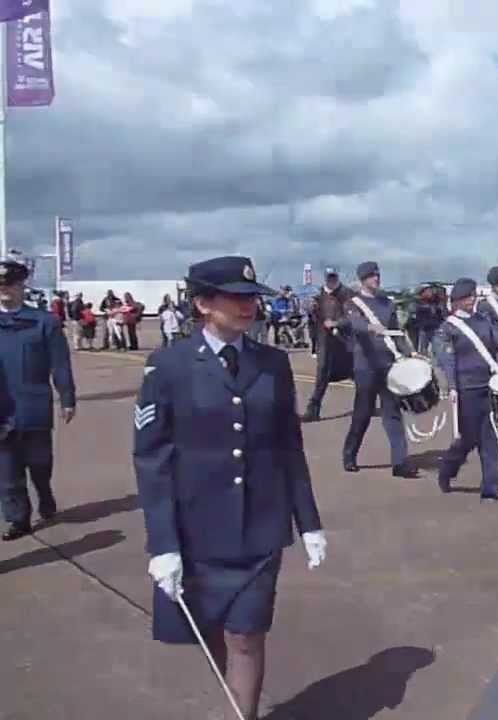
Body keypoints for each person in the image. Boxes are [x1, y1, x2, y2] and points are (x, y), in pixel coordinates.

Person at [134, 255, 327, 719]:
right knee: (211, 631)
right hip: (198, 529)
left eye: (251, 298)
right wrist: (163, 544)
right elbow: (152, 459)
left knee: (247, 634)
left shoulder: (273, 363)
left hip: (262, 524)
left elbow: (289, 447)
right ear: (203, 303)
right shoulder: (168, 366)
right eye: (235, 298)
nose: (248, 306)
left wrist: (309, 523)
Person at [0, 259, 76, 540]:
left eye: (11, 284)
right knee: (7, 470)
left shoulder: (44, 322)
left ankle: (45, 492)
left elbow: (60, 363)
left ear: (23, 286)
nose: (5, 289)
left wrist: (67, 397)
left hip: (34, 405)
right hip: (2, 410)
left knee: (40, 463)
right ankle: (18, 519)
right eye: (0, 285)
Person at [436, 278, 498, 500]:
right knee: (468, 439)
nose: (471, 300)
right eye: (467, 297)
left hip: (488, 384)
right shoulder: (448, 328)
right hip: (467, 388)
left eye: (473, 295)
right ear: (456, 301)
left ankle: (490, 485)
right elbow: (447, 360)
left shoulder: (482, 320)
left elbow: (494, 342)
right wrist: (452, 386)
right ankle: (448, 468)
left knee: (489, 437)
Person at [341, 261, 417, 478]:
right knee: (363, 414)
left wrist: (410, 353)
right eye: (371, 276)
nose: (376, 279)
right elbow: (353, 323)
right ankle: (349, 454)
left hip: (387, 365)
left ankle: (400, 462)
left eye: (377, 275)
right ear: (362, 280)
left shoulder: (387, 303)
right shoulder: (353, 303)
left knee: (393, 413)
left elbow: (396, 332)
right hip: (366, 366)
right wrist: (369, 327)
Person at [302, 270, 354, 423]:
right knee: (322, 375)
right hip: (325, 341)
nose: (331, 280)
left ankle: (368, 406)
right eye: (328, 278)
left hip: (345, 341)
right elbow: (312, 321)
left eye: (333, 277)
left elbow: (353, 317)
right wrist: (310, 309)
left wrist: (337, 323)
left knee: (359, 374)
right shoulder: (318, 296)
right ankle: (313, 410)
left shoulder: (348, 294)